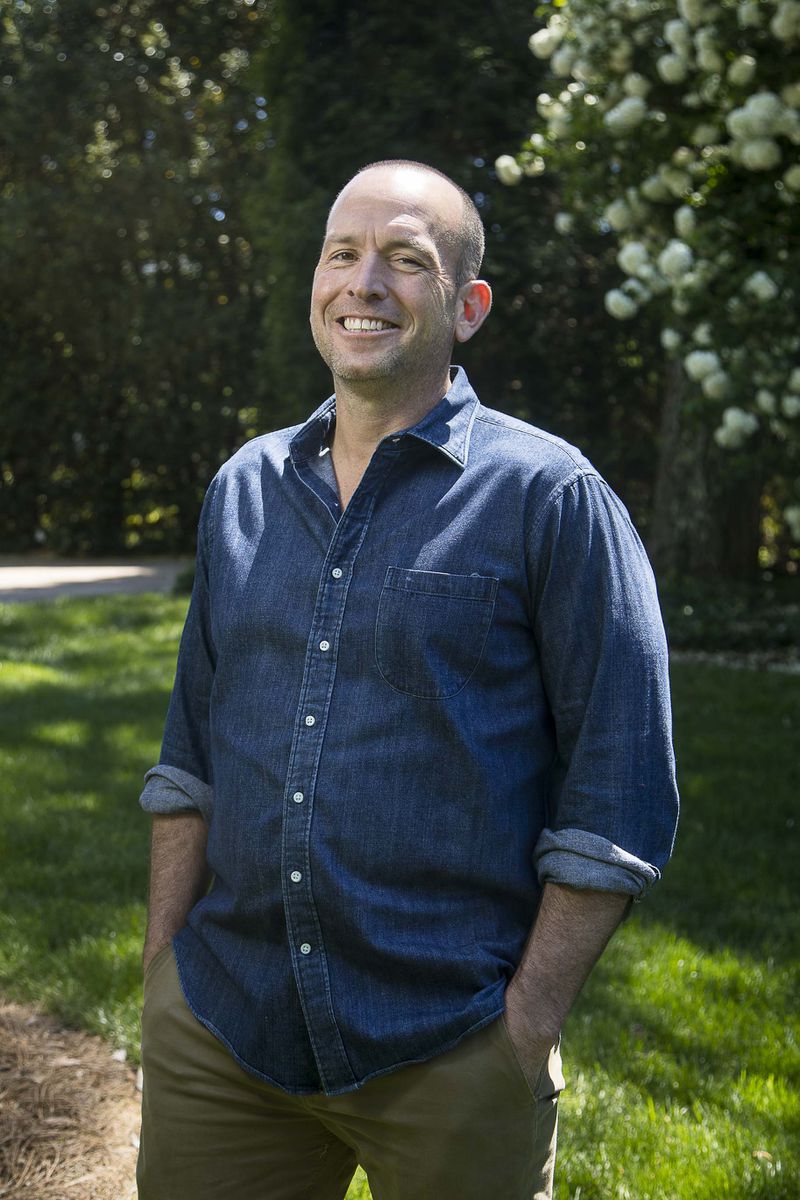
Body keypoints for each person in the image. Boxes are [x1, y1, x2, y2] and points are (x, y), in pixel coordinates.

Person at [136, 159, 679, 1200]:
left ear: (466, 307)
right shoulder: (244, 488)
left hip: (450, 1048)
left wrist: (521, 1032)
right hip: (225, 1034)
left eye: (405, 261)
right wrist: (164, 977)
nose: (363, 284)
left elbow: (620, 791)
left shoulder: (549, 497)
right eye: (342, 254)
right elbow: (190, 755)